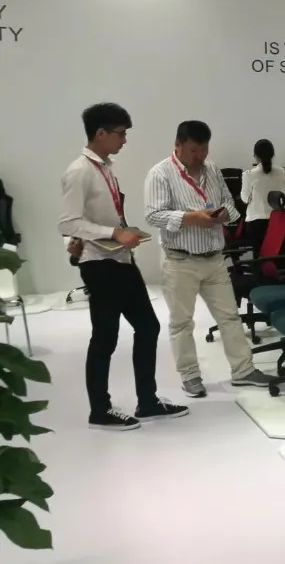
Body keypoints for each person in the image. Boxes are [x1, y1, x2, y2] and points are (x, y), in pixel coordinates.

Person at [59, 103, 188, 431]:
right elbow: (68, 222)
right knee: (105, 337)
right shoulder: (79, 171)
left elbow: (92, 218)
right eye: (121, 133)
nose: (125, 140)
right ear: (100, 133)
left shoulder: (104, 168)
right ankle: (99, 411)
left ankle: (148, 401)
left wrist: (122, 232)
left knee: (148, 327)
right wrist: (115, 233)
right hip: (100, 264)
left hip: (119, 260)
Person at [143, 120, 272, 398]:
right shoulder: (160, 173)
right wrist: (192, 218)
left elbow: (228, 201)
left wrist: (225, 214)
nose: (199, 157)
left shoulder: (211, 169)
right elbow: (153, 215)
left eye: (204, 150)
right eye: (193, 151)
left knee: (229, 316)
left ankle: (243, 370)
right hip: (180, 260)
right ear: (177, 145)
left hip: (214, 259)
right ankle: (190, 375)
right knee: (182, 322)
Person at [241, 139, 285, 255]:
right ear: (272, 155)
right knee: (279, 256)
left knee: (259, 256)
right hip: (278, 221)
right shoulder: (284, 172)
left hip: (256, 222)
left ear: (255, 156)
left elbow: (245, 199)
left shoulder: (249, 175)